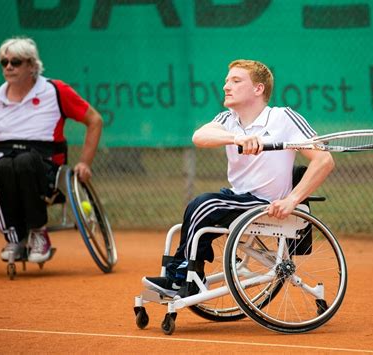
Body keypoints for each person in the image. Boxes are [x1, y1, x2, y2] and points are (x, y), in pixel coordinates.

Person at [143, 59, 334, 297]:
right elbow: (199, 136)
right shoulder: (227, 120)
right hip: (238, 199)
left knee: (204, 204)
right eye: (226, 81)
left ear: (258, 89)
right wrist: (236, 139)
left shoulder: (283, 117)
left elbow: (324, 160)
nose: (226, 86)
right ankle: (186, 273)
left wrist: (292, 200)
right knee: (200, 207)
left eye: (236, 80)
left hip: (266, 204)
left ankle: (182, 276)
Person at [0, 37, 103, 263]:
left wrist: (84, 163)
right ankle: (16, 238)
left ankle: (38, 232)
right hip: (4, 162)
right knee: (4, 165)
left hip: (44, 167)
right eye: (4, 62)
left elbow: (94, 120)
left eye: (15, 62)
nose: (8, 67)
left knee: (24, 161)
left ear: (32, 65)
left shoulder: (55, 91)